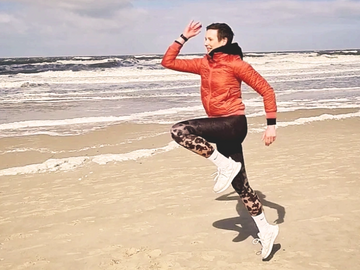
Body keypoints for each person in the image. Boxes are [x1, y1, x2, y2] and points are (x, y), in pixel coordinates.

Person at [161, 20, 279, 260]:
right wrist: (183, 37)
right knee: (241, 186)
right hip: (220, 126)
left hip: (233, 124)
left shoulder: (236, 64)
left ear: (223, 41)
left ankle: (224, 165)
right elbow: (168, 62)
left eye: (209, 39)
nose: (205, 43)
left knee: (179, 130)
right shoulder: (204, 64)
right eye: (204, 39)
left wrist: (271, 126)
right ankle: (267, 230)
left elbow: (267, 90)